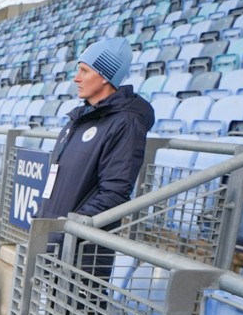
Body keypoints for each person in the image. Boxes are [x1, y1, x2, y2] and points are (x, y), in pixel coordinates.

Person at [37, 36, 156, 277]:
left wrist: (68, 230)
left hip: (81, 253)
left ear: (104, 75)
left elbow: (114, 192)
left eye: (84, 70)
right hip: (54, 244)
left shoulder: (126, 122)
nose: (76, 78)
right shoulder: (80, 118)